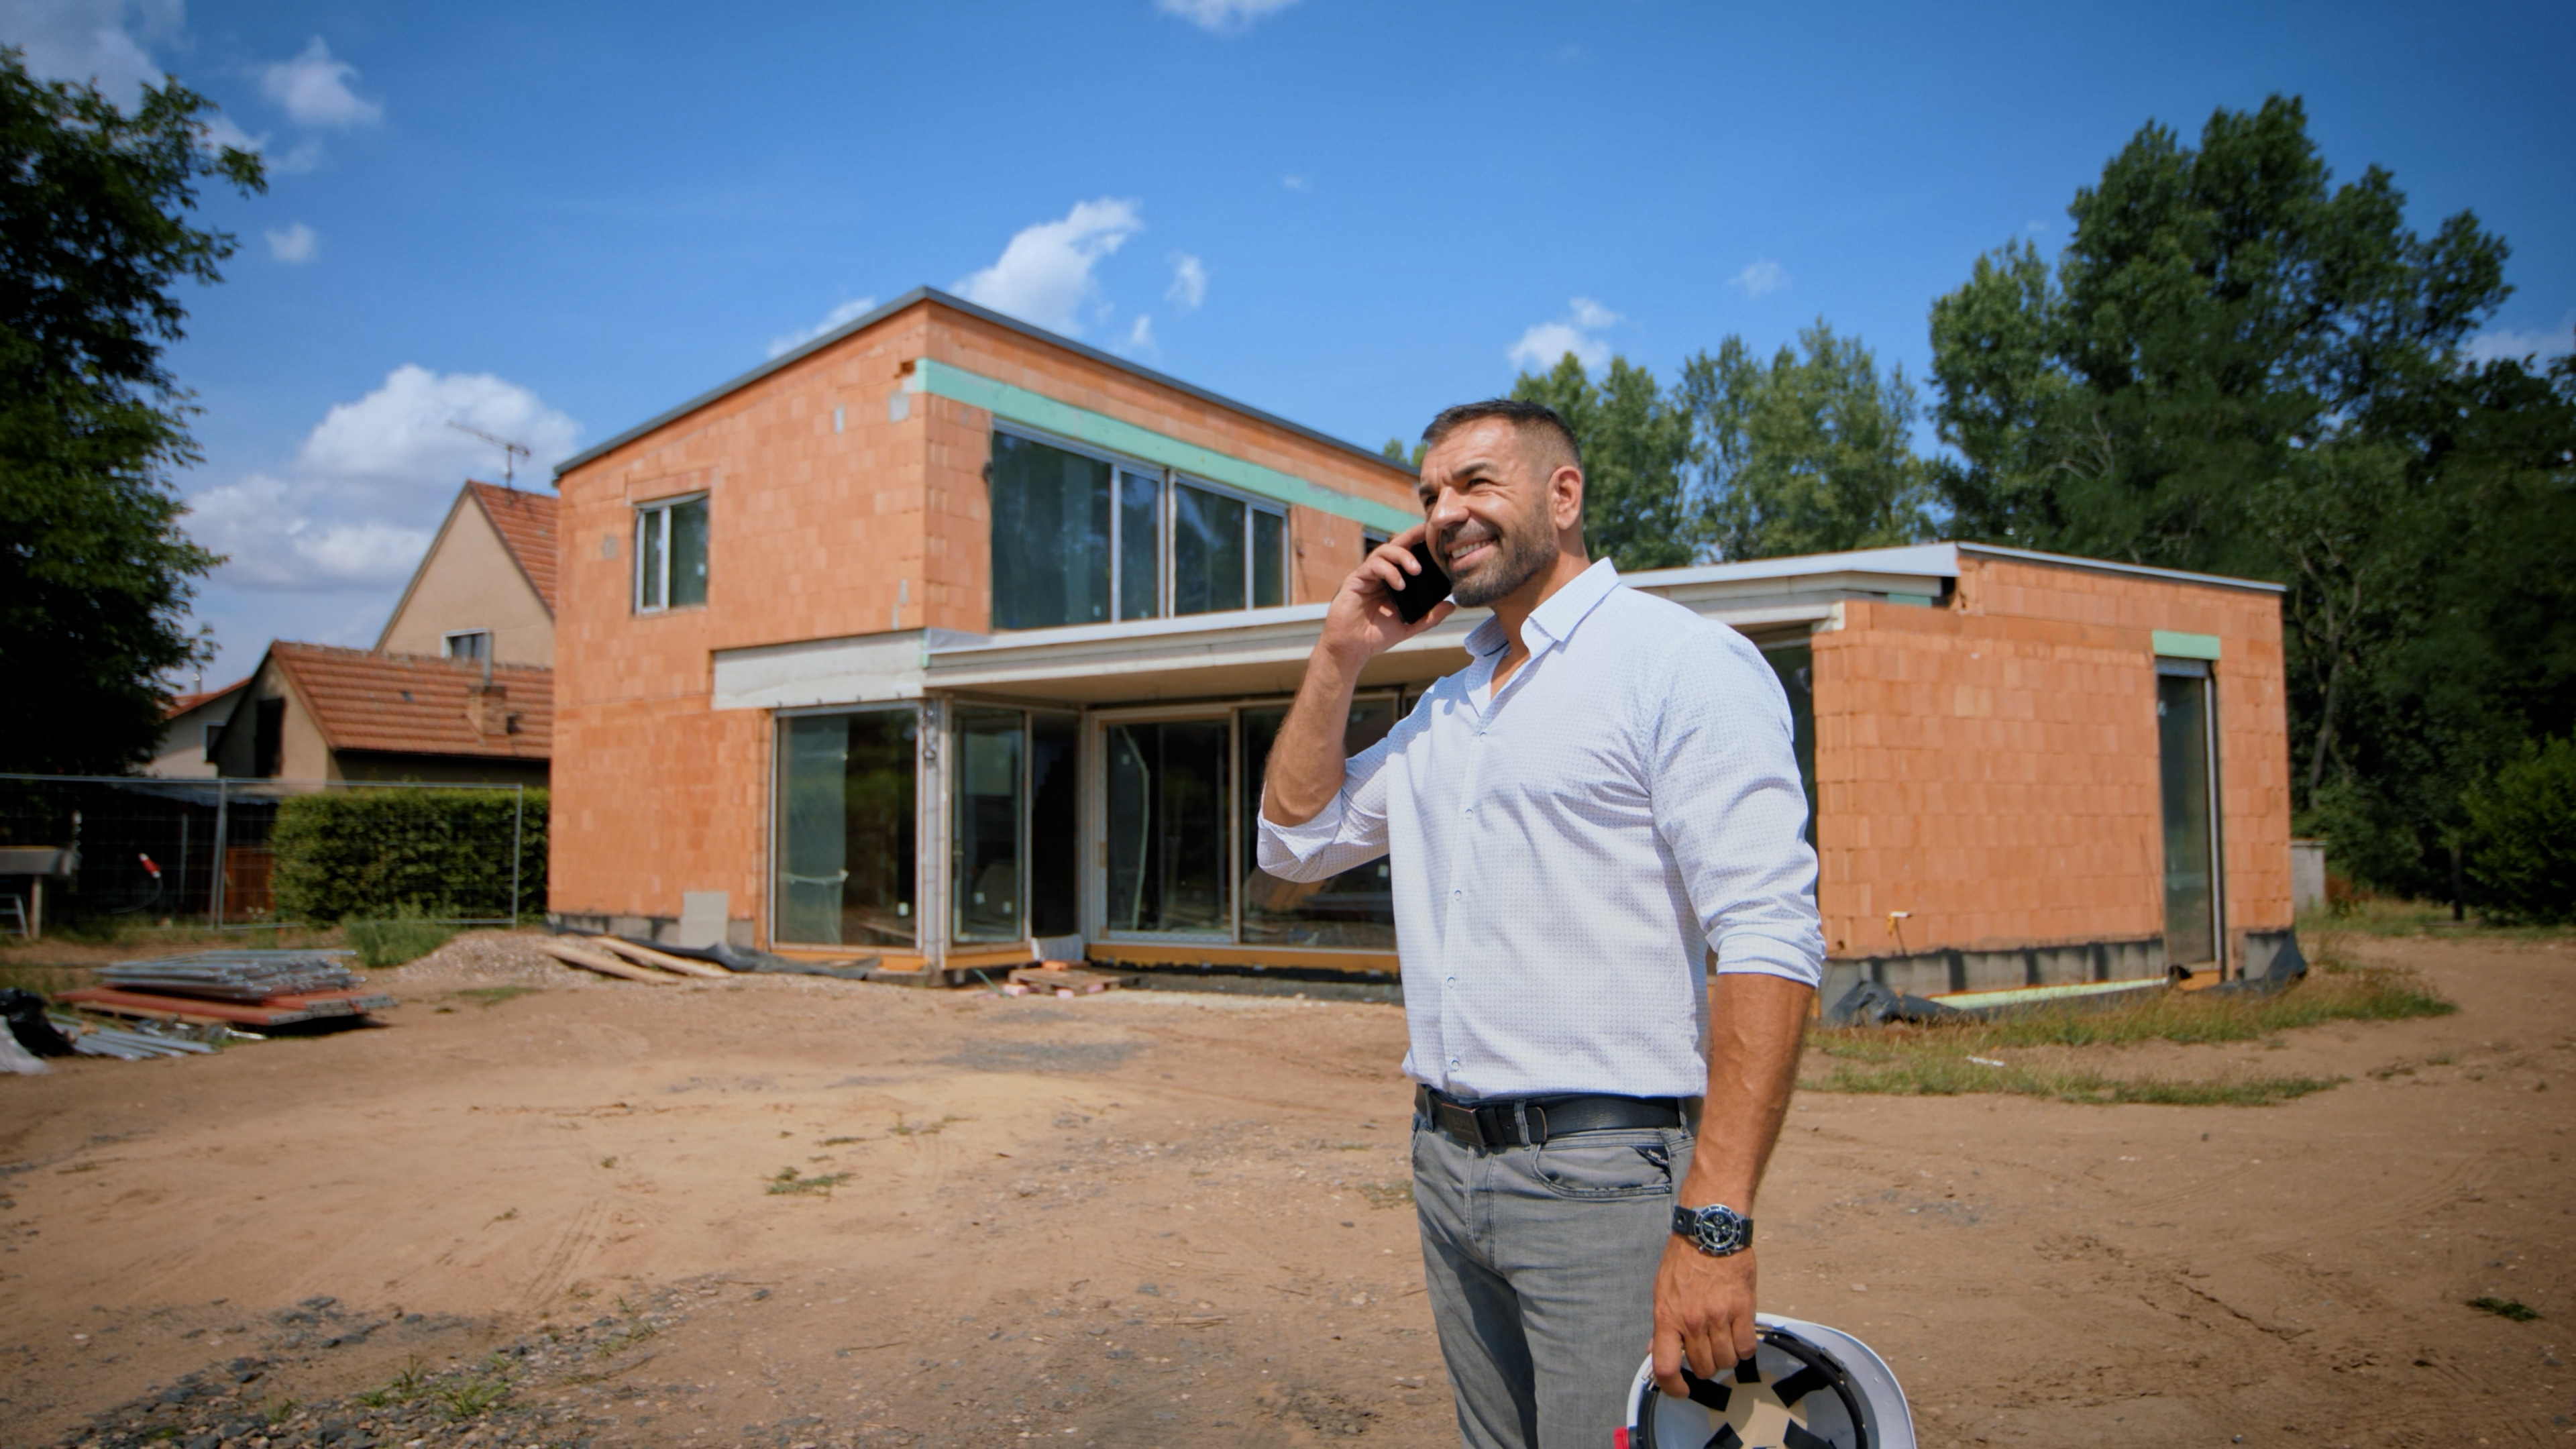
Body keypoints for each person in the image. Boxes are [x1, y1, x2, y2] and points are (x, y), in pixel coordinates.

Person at [1256, 399, 1823, 1448]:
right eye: (1429, 496)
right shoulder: (1449, 707)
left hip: (1601, 1179)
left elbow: (1769, 941)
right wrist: (1341, 654)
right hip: (1447, 1164)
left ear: (1564, 497)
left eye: (1475, 484)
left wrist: (1716, 1222)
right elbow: (1293, 843)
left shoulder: (1678, 663)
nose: (1442, 514)